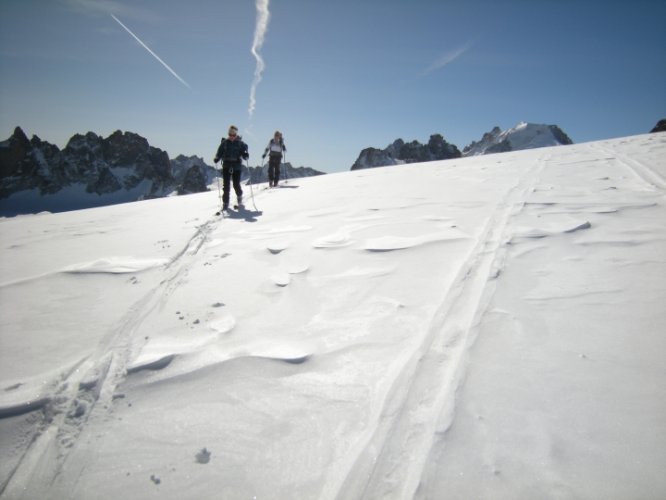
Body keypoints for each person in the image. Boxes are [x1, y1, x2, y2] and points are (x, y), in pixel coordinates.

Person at [214, 125, 249, 210]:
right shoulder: (224, 143)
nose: (232, 136)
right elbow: (219, 152)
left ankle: (239, 196)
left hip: (236, 166)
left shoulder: (240, 143)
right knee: (226, 186)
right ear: (228, 134)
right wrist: (217, 158)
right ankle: (225, 203)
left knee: (236, 184)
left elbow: (245, 149)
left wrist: (245, 154)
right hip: (226, 165)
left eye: (233, 135)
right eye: (230, 134)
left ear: (236, 135)